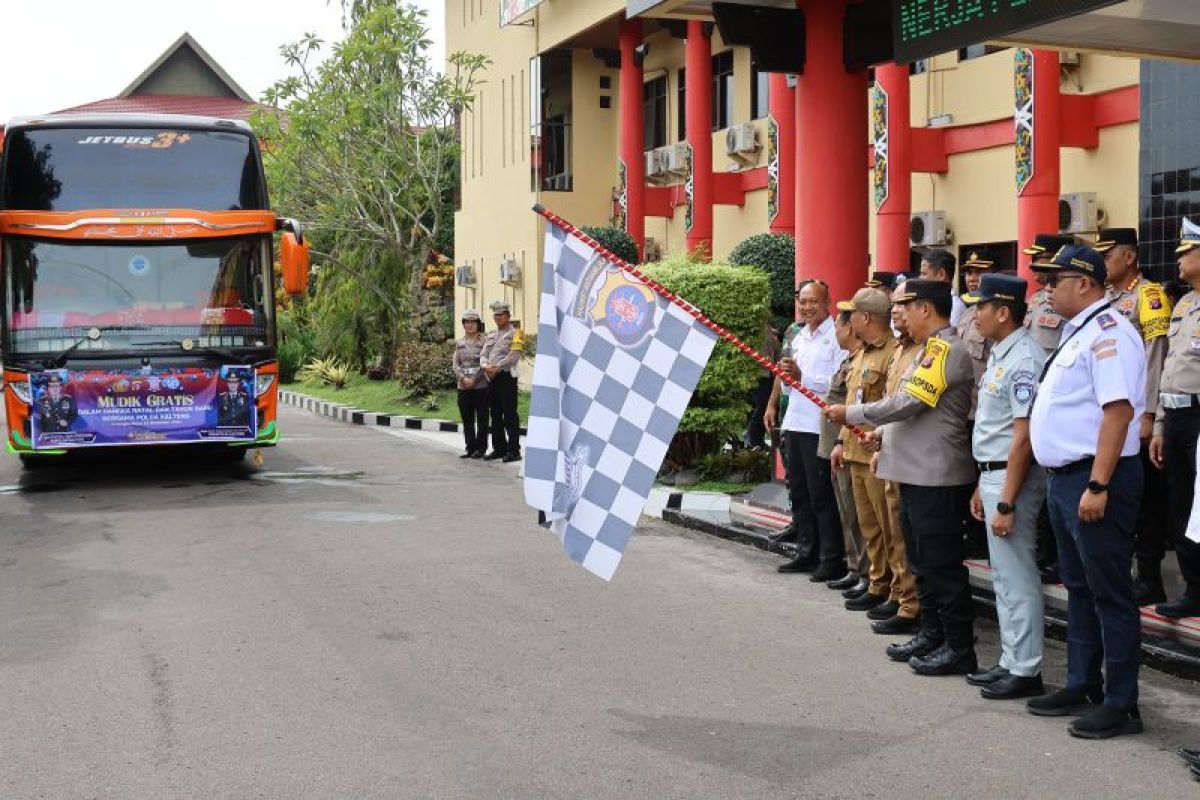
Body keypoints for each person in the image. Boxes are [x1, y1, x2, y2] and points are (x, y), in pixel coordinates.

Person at [1026, 244, 1145, 739]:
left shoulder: (1109, 333)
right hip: (1065, 479)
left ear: (1087, 284)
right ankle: (1082, 683)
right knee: (1078, 588)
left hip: (1096, 479)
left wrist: (1098, 484)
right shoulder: (1079, 333)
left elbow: (1117, 413)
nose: (1049, 288)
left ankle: (1121, 703)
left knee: (1109, 592)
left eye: (1057, 280)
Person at [832, 279, 978, 675]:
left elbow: (910, 402)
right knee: (921, 561)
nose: (899, 314)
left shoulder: (944, 349)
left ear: (925, 309)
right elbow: (912, 408)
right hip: (916, 472)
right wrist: (880, 435)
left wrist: (854, 416)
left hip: (937, 476)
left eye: (905, 307)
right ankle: (932, 634)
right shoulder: (926, 350)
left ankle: (959, 647)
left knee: (942, 566)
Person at [963, 274, 1048, 700]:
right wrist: (984, 484)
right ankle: (1012, 660)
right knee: (1003, 578)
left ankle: (1027, 667)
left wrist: (1008, 500)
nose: (975, 313)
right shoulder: (1002, 353)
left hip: (1012, 477)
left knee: (1017, 575)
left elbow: (1023, 436)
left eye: (981, 306)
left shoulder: (1025, 359)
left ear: (1003, 311)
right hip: (993, 473)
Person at [829, 287, 920, 636]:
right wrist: (841, 441)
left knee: (891, 529)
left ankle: (901, 594)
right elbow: (854, 398)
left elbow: (890, 407)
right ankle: (878, 583)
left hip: (878, 453)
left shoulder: (894, 353)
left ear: (865, 318)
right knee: (870, 527)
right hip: (855, 449)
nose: (848, 321)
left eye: (852, 314)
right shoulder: (863, 354)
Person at [1093, 227, 1173, 606]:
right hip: (1109, 416)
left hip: (1138, 414)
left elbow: (1156, 357)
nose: (1103, 263)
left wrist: (1151, 413)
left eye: (1109, 255)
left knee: (1147, 501)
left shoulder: (1149, 296)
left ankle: (1150, 576)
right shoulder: (1106, 298)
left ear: (1129, 257)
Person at [769, 279, 847, 580]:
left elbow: (837, 385)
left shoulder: (836, 337)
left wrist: (802, 377)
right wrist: (787, 383)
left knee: (821, 495)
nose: (807, 307)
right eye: (803, 301)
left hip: (821, 426)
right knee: (799, 492)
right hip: (796, 421)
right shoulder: (799, 336)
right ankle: (806, 551)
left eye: (813, 301)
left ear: (827, 302)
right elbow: (790, 382)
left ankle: (830, 558)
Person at [1151, 217, 1200, 620]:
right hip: (1178, 416)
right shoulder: (1183, 303)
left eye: (1187, 252)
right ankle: (1192, 586)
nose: (1179, 259)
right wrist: (1162, 425)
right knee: (1182, 504)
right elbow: (1169, 369)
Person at [819, 308, 868, 590]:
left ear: (850, 328)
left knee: (861, 516)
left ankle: (867, 574)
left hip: (855, 445)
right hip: (840, 444)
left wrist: (841, 440)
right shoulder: (851, 360)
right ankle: (854, 568)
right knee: (846, 511)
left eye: (838, 325)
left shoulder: (863, 359)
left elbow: (855, 408)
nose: (835, 331)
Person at [480, 301, 523, 463]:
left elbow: (514, 356)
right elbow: (483, 354)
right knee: (495, 414)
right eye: (496, 315)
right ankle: (499, 448)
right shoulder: (491, 334)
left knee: (510, 414)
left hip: (506, 377)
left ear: (508, 316)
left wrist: (496, 368)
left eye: (501, 314)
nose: (498, 317)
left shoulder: (517, 333)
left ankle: (514, 450)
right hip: (491, 377)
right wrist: (485, 366)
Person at [957, 252, 995, 414]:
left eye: (979, 273)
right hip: (963, 405)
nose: (972, 278)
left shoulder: (997, 315)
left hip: (984, 405)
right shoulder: (966, 312)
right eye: (969, 273)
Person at [1023, 235, 1075, 351]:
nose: (1031, 265)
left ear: (1056, 258)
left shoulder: (1072, 299)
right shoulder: (1035, 298)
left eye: (1036, 258)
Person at [453, 309, 490, 459]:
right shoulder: (459, 343)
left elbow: (485, 362)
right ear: (463, 325)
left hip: (480, 386)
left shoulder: (485, 342)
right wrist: (463, 378)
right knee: (467, 419)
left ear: (478, 324)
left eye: (473, 322)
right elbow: (455, 365)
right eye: (467, 322)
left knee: (482, 419)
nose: (470, 325)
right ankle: (470, 448)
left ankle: (481, 449)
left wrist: (474, 379)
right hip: (463, 387)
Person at [745, 322, 782, 450]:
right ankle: (753, 440)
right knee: (761, 407)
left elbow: (777, 353)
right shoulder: (753, 327)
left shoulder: (768, 329)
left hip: (771, 373)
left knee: (767, 406)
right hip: (759, 374)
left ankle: (757, 440)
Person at [919, 248, 964, 326]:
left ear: (941, 274)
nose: (920, 278)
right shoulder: (928, 301)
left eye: (924, 274)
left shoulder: (955, 306)